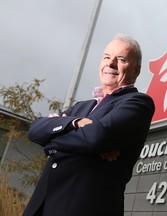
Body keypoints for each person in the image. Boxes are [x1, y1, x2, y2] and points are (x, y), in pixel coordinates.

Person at [22, 34, 155, 216]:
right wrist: (75, 122)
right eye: (107, 57)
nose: (110, 64)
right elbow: (35, 130)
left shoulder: (138, 103)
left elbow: (96, 137)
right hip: (41, 206)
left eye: (121, 59)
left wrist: (52, 141)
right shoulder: (81, 107)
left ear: (136, 70)